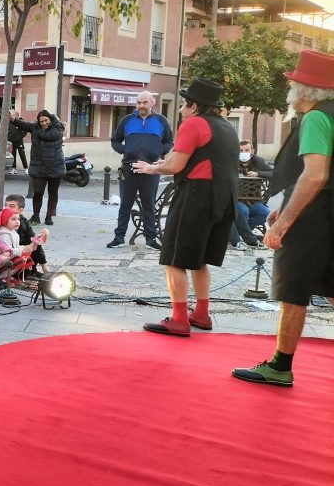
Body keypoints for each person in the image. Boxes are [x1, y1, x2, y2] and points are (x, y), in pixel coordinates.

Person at [232, 50, 334, 387]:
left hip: (314, 218)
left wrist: (283, 223)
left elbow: (316, 175)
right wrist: (285, 205)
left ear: (308, 90)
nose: (289, 89)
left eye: (294, 83)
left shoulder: (317, 117)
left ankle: (279, 365)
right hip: (325, 214)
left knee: (293, 290)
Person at [132, 79, 238, 337]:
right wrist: (165, 161)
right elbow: (190, 157)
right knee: (199, 259)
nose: (180, 109)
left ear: (194, 105)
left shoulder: (193, 123)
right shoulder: (227, 127)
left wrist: (151, 168)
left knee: (174, 257)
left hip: (196, 196)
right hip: (224, 198)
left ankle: (179, 319)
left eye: (183, 104)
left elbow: (174, 166)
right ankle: (201, 314)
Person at [108, 91, 173, 247]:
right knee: (125, 205)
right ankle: (119, 237)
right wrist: (126, 150)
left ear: (152, 103)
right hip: (128, 168)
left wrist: (158, 152)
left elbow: (169, 141)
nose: (141, 106)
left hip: (151, 169)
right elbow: (115, 140)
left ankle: (150, 238)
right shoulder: (127, 120)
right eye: (138, 103)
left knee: (149, 205)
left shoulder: (161, 121)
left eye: (144, 102)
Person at [11, 110, 66, 225]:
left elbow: (50, 135)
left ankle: (49, 217)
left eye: (46, 120)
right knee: (38, 193)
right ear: (38, 121)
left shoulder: (57, 129)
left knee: (53, 193)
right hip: (39, 167)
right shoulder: (35, 127)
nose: (44, 123)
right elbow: (23, 125)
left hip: (55, 167)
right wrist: (14, 120)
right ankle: (36, 216)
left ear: (50, 119)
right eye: (41, 121)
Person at [229, 139, 273, 249]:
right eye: (241, 150)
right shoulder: (231, 162)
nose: (244, 153)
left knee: (265, 213)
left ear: (252, 151)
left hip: (254, 199)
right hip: (237, 199)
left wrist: (258, 173)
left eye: (247, 150)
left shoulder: (259, 161)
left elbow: (274, 172)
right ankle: (247, 235)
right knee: (242, 211)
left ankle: (241, 232)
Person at [5, 194, 51, 276]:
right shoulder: (0, 218)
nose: (6, 208)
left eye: (11, 206)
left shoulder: (23, 221)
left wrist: (44, 264)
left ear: (20, 210)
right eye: (5, 205)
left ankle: (32, 271)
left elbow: (34, 239)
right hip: (6, 252)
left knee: (34, 242)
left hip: (18, 250)